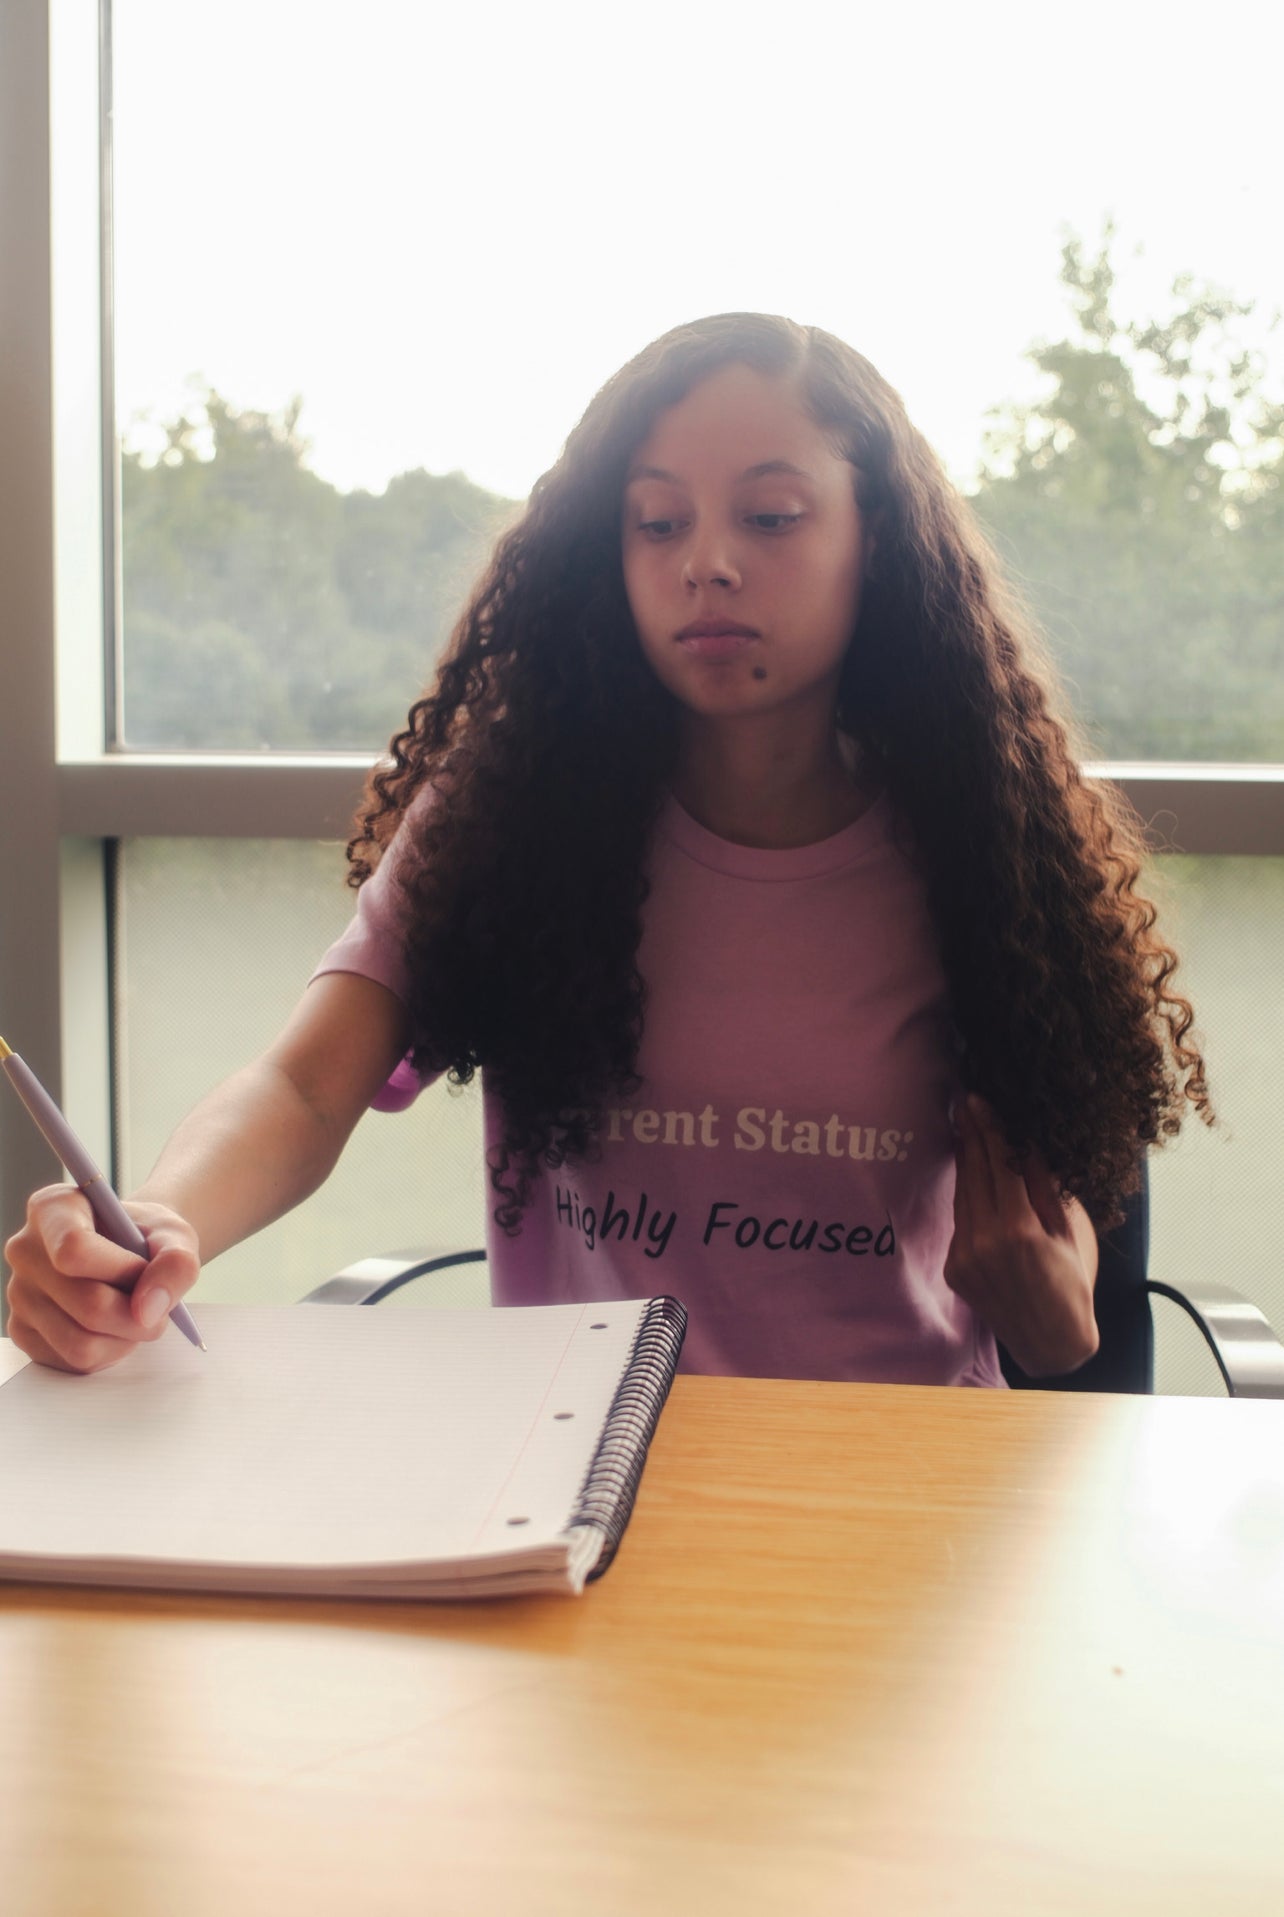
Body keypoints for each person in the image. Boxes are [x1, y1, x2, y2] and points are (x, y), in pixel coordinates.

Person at [5, 313, 1210, 1382]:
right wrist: (157, 1220)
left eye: (773, 515)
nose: (707, 561)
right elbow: (304, 1085)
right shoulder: (512, 822)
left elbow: (1067, 1332)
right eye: (657, 521)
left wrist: (1052, 1320)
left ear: (879, 539)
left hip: (897, 1497)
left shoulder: (982, 853)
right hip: (568, 1478)